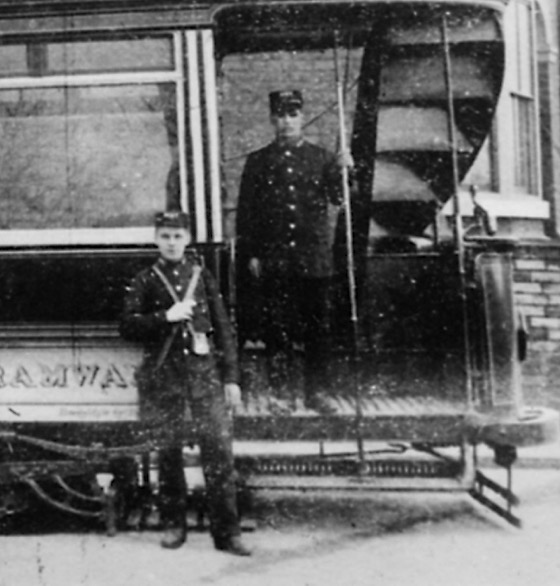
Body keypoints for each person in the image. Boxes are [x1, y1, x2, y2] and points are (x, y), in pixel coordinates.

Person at [119, 211, 251, 556]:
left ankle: (228, 533)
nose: (172, 242)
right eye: (165, 236)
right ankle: (173, 525)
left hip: (204, 376)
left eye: (178, 236)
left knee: (219, 453)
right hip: (166, 377)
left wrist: (232, 379)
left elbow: (223, 329)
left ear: (188, 239)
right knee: (169, 453)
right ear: (156, 240)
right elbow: (127, 326)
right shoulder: (145, 280)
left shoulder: (202, 276)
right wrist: (165, 316)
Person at [236, 89, 352, 413]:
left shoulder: (323, 158)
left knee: (318, 329)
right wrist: (253, 254)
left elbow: (339, 199)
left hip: (313, 259)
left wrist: (346, 171)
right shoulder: (258, 162)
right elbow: (247, 213)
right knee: (279, 328)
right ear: (273, 119)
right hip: (276, 259)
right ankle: (281, 394)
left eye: (293, 114)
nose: (287, 121)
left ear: (302, 117)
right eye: (281, 115)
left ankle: (318, 393)